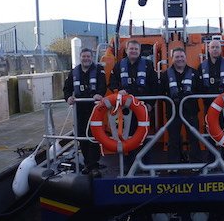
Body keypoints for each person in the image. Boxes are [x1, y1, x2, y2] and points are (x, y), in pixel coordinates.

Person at [108, 40, 157, 166]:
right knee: (128, 135)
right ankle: (129, 164)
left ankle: (147, 163)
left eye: (136, 49)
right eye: (131, 49)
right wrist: (119, 91)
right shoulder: (119, 65)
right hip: (126, 108)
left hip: (143, 107)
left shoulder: (148, 65)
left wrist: (151, 104)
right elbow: (112, 83)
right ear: (126, 50)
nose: (133, 51)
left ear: (139, 51)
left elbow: (155, 86)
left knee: (144, 135)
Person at [63, 48, 107, 177]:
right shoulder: (74, 72)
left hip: (94, 108)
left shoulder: (99, 70)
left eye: (88, 56)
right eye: (84, 56)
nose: (86, 58)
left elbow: (103, 86)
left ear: (92, 57)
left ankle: (94, 165)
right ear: (80, 57)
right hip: (80, 109)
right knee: (82, 136)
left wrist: (99, 94)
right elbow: (67, 88)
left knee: (93, 135)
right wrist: (68, 98)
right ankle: (87, 163)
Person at [197, 40, 224, 166]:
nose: (215, 50)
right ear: (208, 50)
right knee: (211, 132)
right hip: (209, 106)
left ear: (221, 50)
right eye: (212, 47)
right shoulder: (202, 67)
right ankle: (211, 159)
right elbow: (199, 87)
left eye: (217, 47)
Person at [160, 47, 201, 164]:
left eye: (182, 56)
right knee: (173, 139)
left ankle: (196, 163)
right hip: (173, 112)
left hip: (191, 111)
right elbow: (161, 92)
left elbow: (199, 90)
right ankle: (173, 164)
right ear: (172, 59)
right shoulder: (165, 75)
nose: (180, 59)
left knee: (194, 138)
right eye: (177, 57)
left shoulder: (194, 73)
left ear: (186, 58)